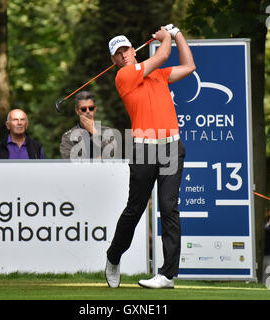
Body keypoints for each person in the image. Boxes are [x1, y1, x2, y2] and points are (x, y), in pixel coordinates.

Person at [105, 24, 195, 289]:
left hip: (171, 147)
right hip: (145, 149)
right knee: (135, 209)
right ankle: (113, 257)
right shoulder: (124, 76)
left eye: (126, 50)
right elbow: (164, 55)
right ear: (114, 61)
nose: (123, 56)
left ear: (134, 50)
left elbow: (189, 66)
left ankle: (167, 275)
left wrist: (178, 34)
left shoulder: (158, 75)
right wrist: (166, 37)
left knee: (169, 208)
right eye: (118, 54)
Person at [60, 91, 116, 159]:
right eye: (83, 109)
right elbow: (69, 163)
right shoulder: (68, 137)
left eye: (91, 108)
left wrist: (94, 132)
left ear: (95, 109)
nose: (88, 111)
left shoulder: (107, 132)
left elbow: (113, 155)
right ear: (77, 111)